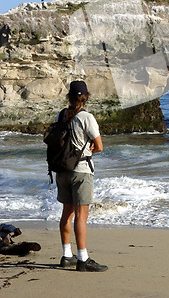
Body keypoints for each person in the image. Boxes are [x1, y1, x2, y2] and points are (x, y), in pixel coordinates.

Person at [56, 80, 107, 272]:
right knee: (81, 216)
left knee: (66, 214)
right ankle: (83, 259)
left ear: (69, 97)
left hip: (62, 170)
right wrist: (89, 150)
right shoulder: (86, 117)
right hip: (81, 170)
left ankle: (66, 255)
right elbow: (99, 146)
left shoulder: (60, 115)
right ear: (85, 97)